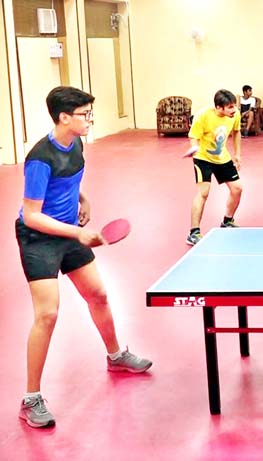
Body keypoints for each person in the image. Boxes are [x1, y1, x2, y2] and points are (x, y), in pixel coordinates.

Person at [16, 86, 152, 428]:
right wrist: (77, 233)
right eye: (84, 114)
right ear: (64, 117)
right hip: (39, 239)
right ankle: (31, 398)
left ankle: (116, 356)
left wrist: (83, 199)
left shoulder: (76, 143)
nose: (90, 119)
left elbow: (69, 181)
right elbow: (32, 215)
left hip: (67, 230)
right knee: (47, 315)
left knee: (99, 295)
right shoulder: (39, 158)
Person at [186, 89, 243, 246]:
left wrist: (238, 154)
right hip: (203, 158)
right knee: (203, 193)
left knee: (237, 188)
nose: (234, 110)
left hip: (222, 157)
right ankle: (194, 232)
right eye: (230, 107)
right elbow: (193, 136)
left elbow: (237, 132)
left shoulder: (234, 115)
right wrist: (194, 147)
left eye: (234, 106)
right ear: (219, 107)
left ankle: (227, 221)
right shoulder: (203, 115)